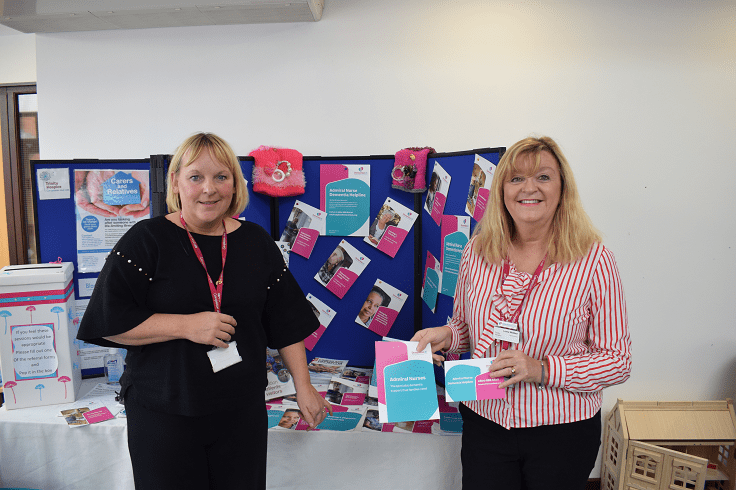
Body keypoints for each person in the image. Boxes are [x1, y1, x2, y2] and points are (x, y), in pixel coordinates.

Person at [77, 132, 332, 490]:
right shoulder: (147, 240)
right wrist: (185, 326)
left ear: (235, 184)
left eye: (221, 177)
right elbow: (107, 323)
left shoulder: (256, 242)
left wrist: (304, 387)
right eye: (196, 177)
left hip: (240, 413)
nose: (209, 189)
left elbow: (287, 321)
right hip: (164, 413)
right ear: (176, 182)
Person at [412, 136, 631, 490]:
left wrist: (541, 369)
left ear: (563, 187)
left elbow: (618, 360)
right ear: (502, 190)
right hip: (486, 423)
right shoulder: (476, 252)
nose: (529, 188)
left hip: (561, 431)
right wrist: (447, 335)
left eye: (543, 177)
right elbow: (467, 326)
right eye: (516, 178)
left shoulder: (593, 260)